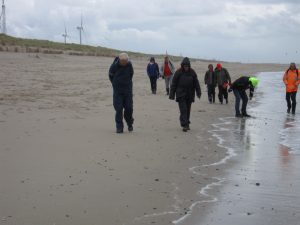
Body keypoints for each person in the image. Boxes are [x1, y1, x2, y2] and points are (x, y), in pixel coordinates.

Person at [169, 57, 201, 132]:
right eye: (185, 66)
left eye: (187, 66)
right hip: (181, 94)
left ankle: (187, 123)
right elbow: (174, 84)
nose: (186, 67)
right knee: (183, 110)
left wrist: (198, 92)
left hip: (189, 94)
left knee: (188, 110)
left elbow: (196, 83)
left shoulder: (192, 72)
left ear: (189, 66)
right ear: (182, 65)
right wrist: (172, 94)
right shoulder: (178, 72)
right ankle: (185, 125)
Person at [109, 53, 134, 133]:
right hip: (118, 91)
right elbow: (110, 75)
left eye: (125, 61)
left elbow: (131, 74)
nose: (124, 63)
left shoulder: (129, 65)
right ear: (119, 60)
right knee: (118, 109)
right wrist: (115, 83)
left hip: (128, 90)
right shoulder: (114, 66)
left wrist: (127, 83)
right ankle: (119, 127)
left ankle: (130, 123)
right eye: (123, 61)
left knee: (129, 108)